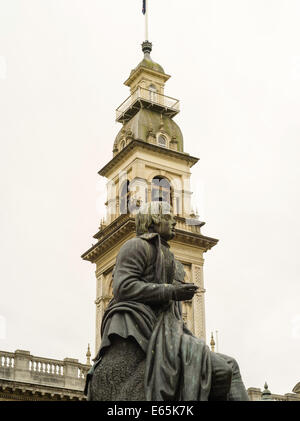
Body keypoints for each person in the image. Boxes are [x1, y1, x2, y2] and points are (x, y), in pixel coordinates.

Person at [85, 201, 249, 401]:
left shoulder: (168, 257)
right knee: (226, 368)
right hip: (147, 328)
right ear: (154, 220)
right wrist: (171, 291)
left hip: (168, 331)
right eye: (168, 216)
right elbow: (123, 286)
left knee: (228, 366)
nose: (174, 221)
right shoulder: (136, 246)